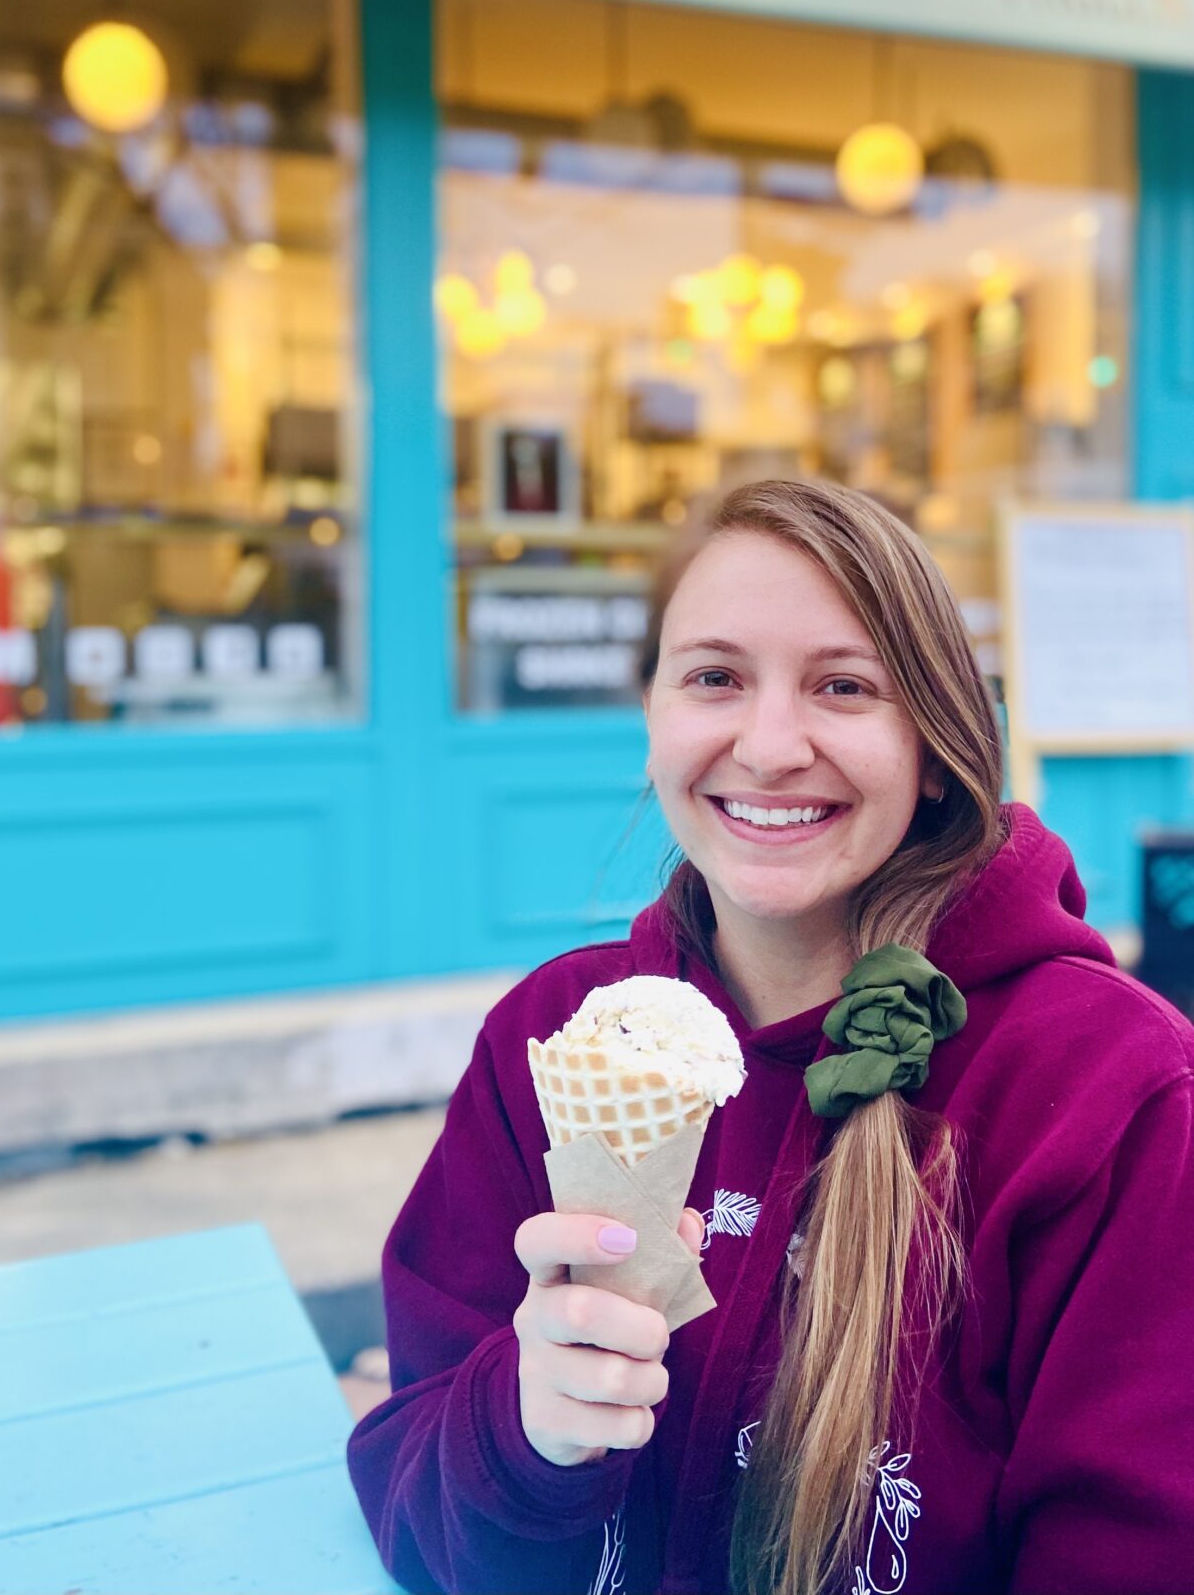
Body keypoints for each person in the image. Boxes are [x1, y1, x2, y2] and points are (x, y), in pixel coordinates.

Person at [347, 479, 1194, 1595]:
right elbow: (413, 1508)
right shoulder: (549, 1045)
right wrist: (520, 1430)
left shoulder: (1113, 1094)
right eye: (714, 678)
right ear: (653, 717)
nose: (772, 745)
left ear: (936, 742)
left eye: (843, 687)